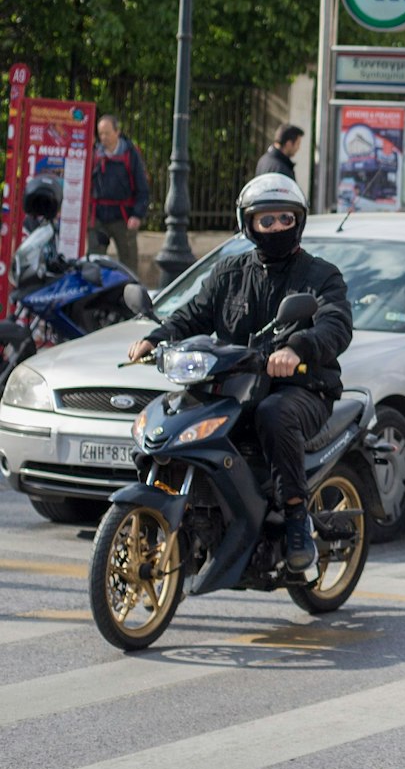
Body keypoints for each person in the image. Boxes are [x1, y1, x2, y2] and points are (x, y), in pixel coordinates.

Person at [126, 175, 352, 572]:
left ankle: (296, 519)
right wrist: (156, 338)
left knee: (274, 414)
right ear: (248, 225)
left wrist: (296, 348)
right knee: (170, 416)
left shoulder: (320, 275)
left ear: (298, 222)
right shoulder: (229, 272)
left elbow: (335, 323)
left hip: (302, 388)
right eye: (266, 221)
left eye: (285, 218)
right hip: (236, 388)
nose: (277, 227)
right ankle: (164, 509)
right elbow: (194, 313)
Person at [89, 115, 149, 269]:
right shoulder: (94, 153)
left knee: (129, 264)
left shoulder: (130, 154)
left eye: (107, 133)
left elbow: (142, 187)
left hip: (124, 218)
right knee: (94, 263)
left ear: (117, 132)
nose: (103, 138)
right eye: (100, 133)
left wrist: (137, 214)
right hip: (98, 218)